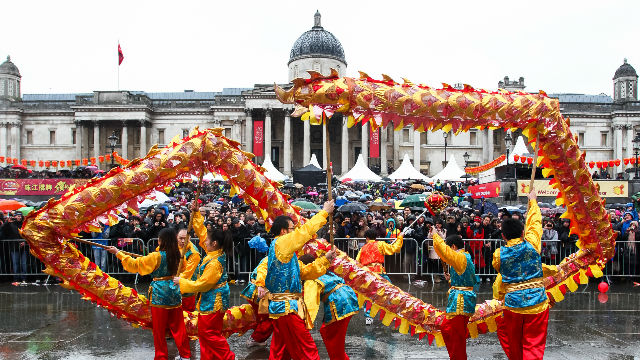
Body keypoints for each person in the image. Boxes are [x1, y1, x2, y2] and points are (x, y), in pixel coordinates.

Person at [254, 200, 337, 360]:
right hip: (286, 308)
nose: (295, 232)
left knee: (281, 351)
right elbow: (304, 233)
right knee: (307, 349)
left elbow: (305, 272)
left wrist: (325, 260)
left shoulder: (287, 254)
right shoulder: (281, 243)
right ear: (284, 231)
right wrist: (324, 212)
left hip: (284, 308)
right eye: (293, 229)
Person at [107, 228, 191, 360]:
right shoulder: (180, 255)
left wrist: (118, 253)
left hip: (159, 296)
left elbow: (135, 265)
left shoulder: (155, 256)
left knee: (159, 330)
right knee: (179, 328)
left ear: (162, 240)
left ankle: (161, 356)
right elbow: (184, 269)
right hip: (174, 292)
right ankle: (185, 355)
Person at [492, 188, 549, 360]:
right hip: (537, 302)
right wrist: (533, 202)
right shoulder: (532, 244)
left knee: (514, 344)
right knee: (534, 345)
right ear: (523, 233)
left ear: (503, 236)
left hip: (513, 305)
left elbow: (499, 272)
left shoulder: (498, 254)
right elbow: (535, 224)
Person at [174, 225, 235, 360]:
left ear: (214, 243)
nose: (204, 242)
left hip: (213, 302)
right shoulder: (215, 253)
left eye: (207, 240)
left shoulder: (214, 263)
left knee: (209, 334)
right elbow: (203, 235)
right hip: (211, 299)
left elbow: (203, 284)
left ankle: (228, 357)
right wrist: (196, 215)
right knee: (205, 334)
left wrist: (182, 282)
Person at [430, 229, 478, 360]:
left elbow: (444, 251)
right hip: (459, 301)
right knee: (449, 330)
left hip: (460, 303)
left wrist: (435, 234)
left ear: (453, 247)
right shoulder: (464, 256)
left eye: (449, 247)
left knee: (456, 337)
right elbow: (468, 279)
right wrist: (451, 278)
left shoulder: (461, 257)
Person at [303, 254, 359, 360]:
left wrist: (305, 322)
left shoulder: (311, 278)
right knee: (328, 332)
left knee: (331, 337)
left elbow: (310, 304)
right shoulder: (324, 270)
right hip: (348, 298)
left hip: (338, 303)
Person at [357, 228, 405, 325]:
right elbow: (394, 248)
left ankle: (368, 317)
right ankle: (392, 314)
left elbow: (357, 263)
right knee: (390, 293)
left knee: (368, 296)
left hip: (368, 275)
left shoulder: (362, 248)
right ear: (376, 237)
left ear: (366, 238)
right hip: (380, 273)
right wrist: (400, 238)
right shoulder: (380, 244)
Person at [239, 256, 273, 346]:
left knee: (261, 317)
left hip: (257, 291)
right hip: (260, 293)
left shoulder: (271, 256)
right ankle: (256, 338)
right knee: (270, 318)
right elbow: (262, 271)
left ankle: (258, 338)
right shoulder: (275, 258)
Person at [176, 227, 201, 312]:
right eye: (180, 238)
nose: (183, 241)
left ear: (189, 238)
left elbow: (188, 272)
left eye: (185, 238)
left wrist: (177, 280)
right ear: (176, 237)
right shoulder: (173, 247)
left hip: (188, 283)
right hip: (174, 281)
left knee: (187, 312)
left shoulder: (194, 252)